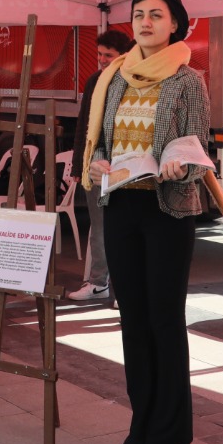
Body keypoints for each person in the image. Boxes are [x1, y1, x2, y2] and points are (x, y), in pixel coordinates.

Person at [83, 0, 210, 444]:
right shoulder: (113, 77)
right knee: (132, 320)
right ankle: (140, 424)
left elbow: (199, 149)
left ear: (175, 24)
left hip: (166, 211)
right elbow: (103, 141)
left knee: (162, 320)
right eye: (139, 15)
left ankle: (167, 431)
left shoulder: (187, 80)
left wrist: (180, 167)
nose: (145, 22)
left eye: (157, 15)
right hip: (121, 208)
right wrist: (96, 163)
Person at [66, 29, 134, 303]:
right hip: (96, 163)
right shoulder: (95, 80)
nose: (102, 60)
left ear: (124, 55)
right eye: (100, 54)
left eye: (109, 55)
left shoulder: (132, 79)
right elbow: (83, 125)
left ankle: (123, 289)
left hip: (126, 163)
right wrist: (77, 166)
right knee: (99, 226)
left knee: (125, 229)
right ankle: (98, 282)